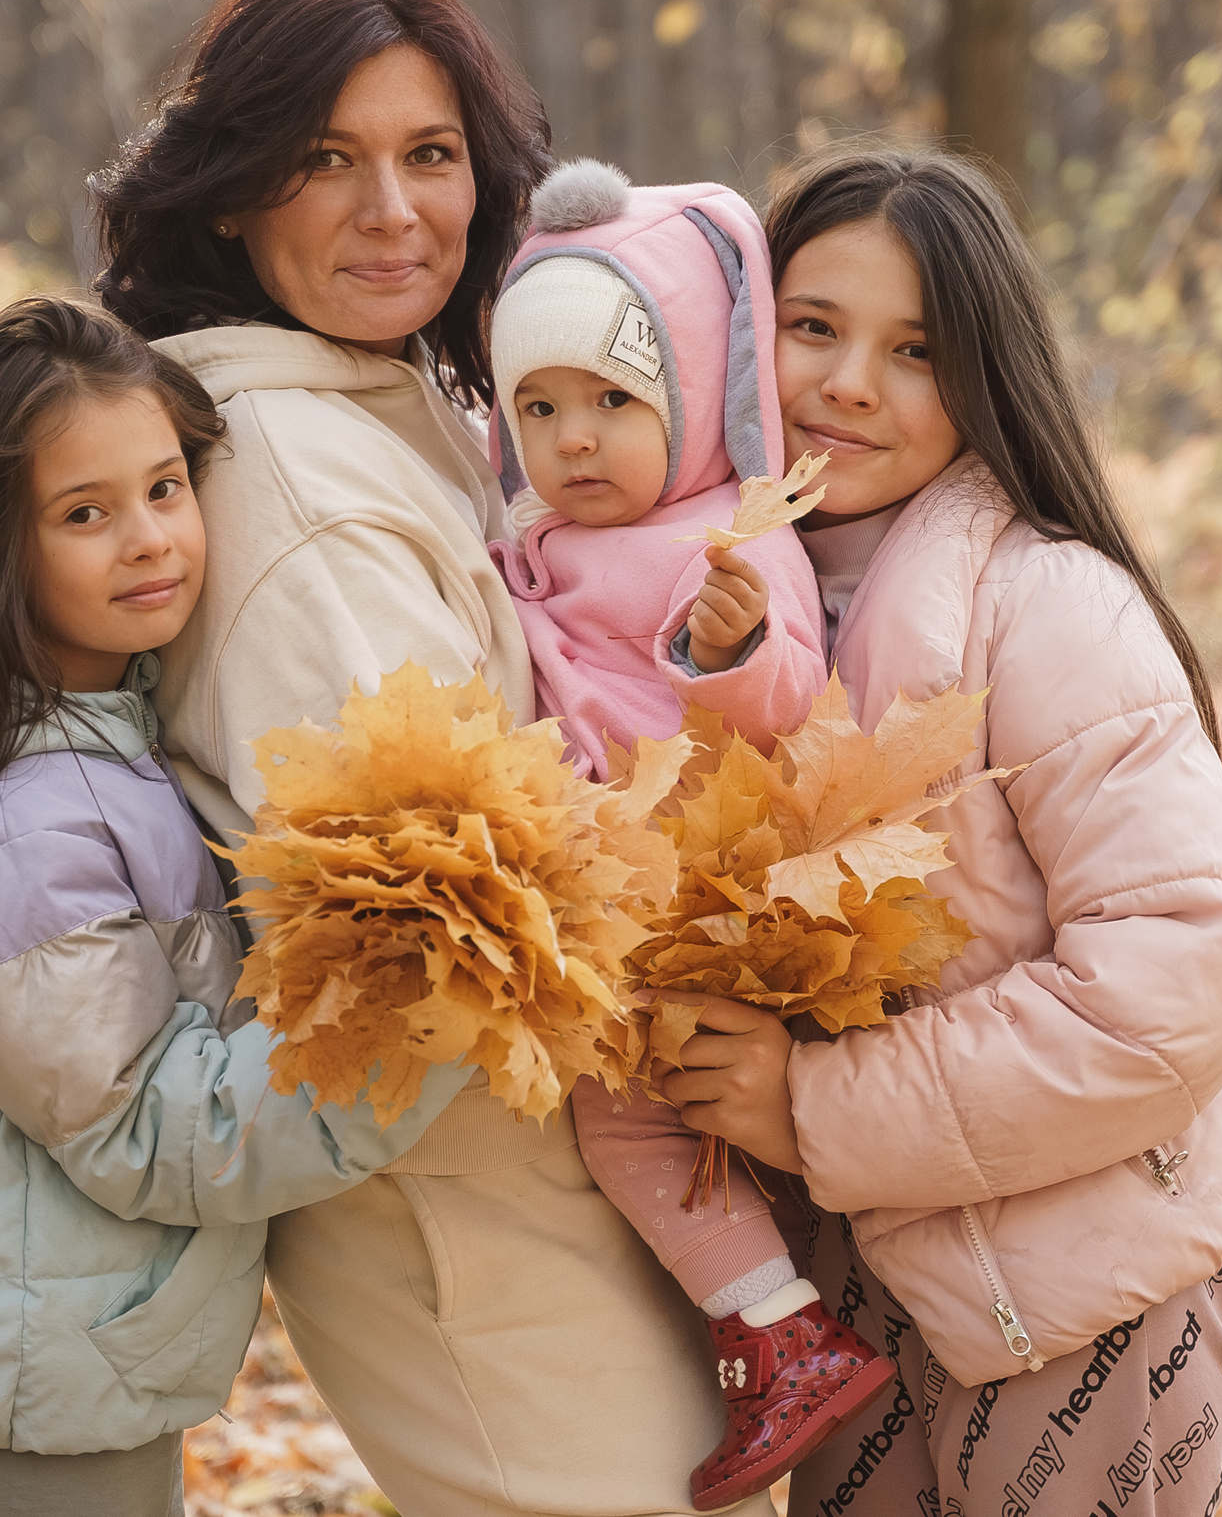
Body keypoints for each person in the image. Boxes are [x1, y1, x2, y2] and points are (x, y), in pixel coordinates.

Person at [92, 0, 778, 1517]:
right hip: (459, 1172)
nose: (392, 209)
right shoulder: (292, 477)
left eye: (430, 153)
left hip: (556, 1145)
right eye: (323, 159)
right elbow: (440, 894)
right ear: (228, 196)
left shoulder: (393, 410)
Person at [0, 298, 469, 1517]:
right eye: (85, 514)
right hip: (27, 1375)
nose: (150, 540)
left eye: (166, 487)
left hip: (49, 1341)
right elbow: (147, 1126)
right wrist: (422, 1022)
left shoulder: (95, 737)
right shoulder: (20, 825)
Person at [651, 148, 1222, 1515]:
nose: (847, 384)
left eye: (916, 350)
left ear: (984, 374)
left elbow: (1171, 993)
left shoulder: (1052, 604)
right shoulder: (717, 612)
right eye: (813, 326)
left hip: (1093, 1292)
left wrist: (813, 1106)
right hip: (869, 1293)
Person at [485, 156, 890, 1507]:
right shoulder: (549, 534)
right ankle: (771, 1323)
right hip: (610, 885)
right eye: (540, 407)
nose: (577, 438)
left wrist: (730, 649)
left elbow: (789, 694)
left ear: (702, 391)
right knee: (655, 1133)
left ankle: (779, 1334)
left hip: (691, 883)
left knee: (633, 1134)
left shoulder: (723, 535)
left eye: (613, 398)